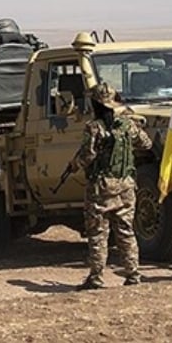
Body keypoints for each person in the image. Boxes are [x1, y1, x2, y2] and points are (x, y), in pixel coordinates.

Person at [69, 83, 152, 289]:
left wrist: (74, 165)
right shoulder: (127, 125)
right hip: (125, 185)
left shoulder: (94, 127)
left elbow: (87, 156)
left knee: (98, 233)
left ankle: (96, 277)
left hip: (101, 187)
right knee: (125, 230)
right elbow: (146, 144)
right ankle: (133, 274)